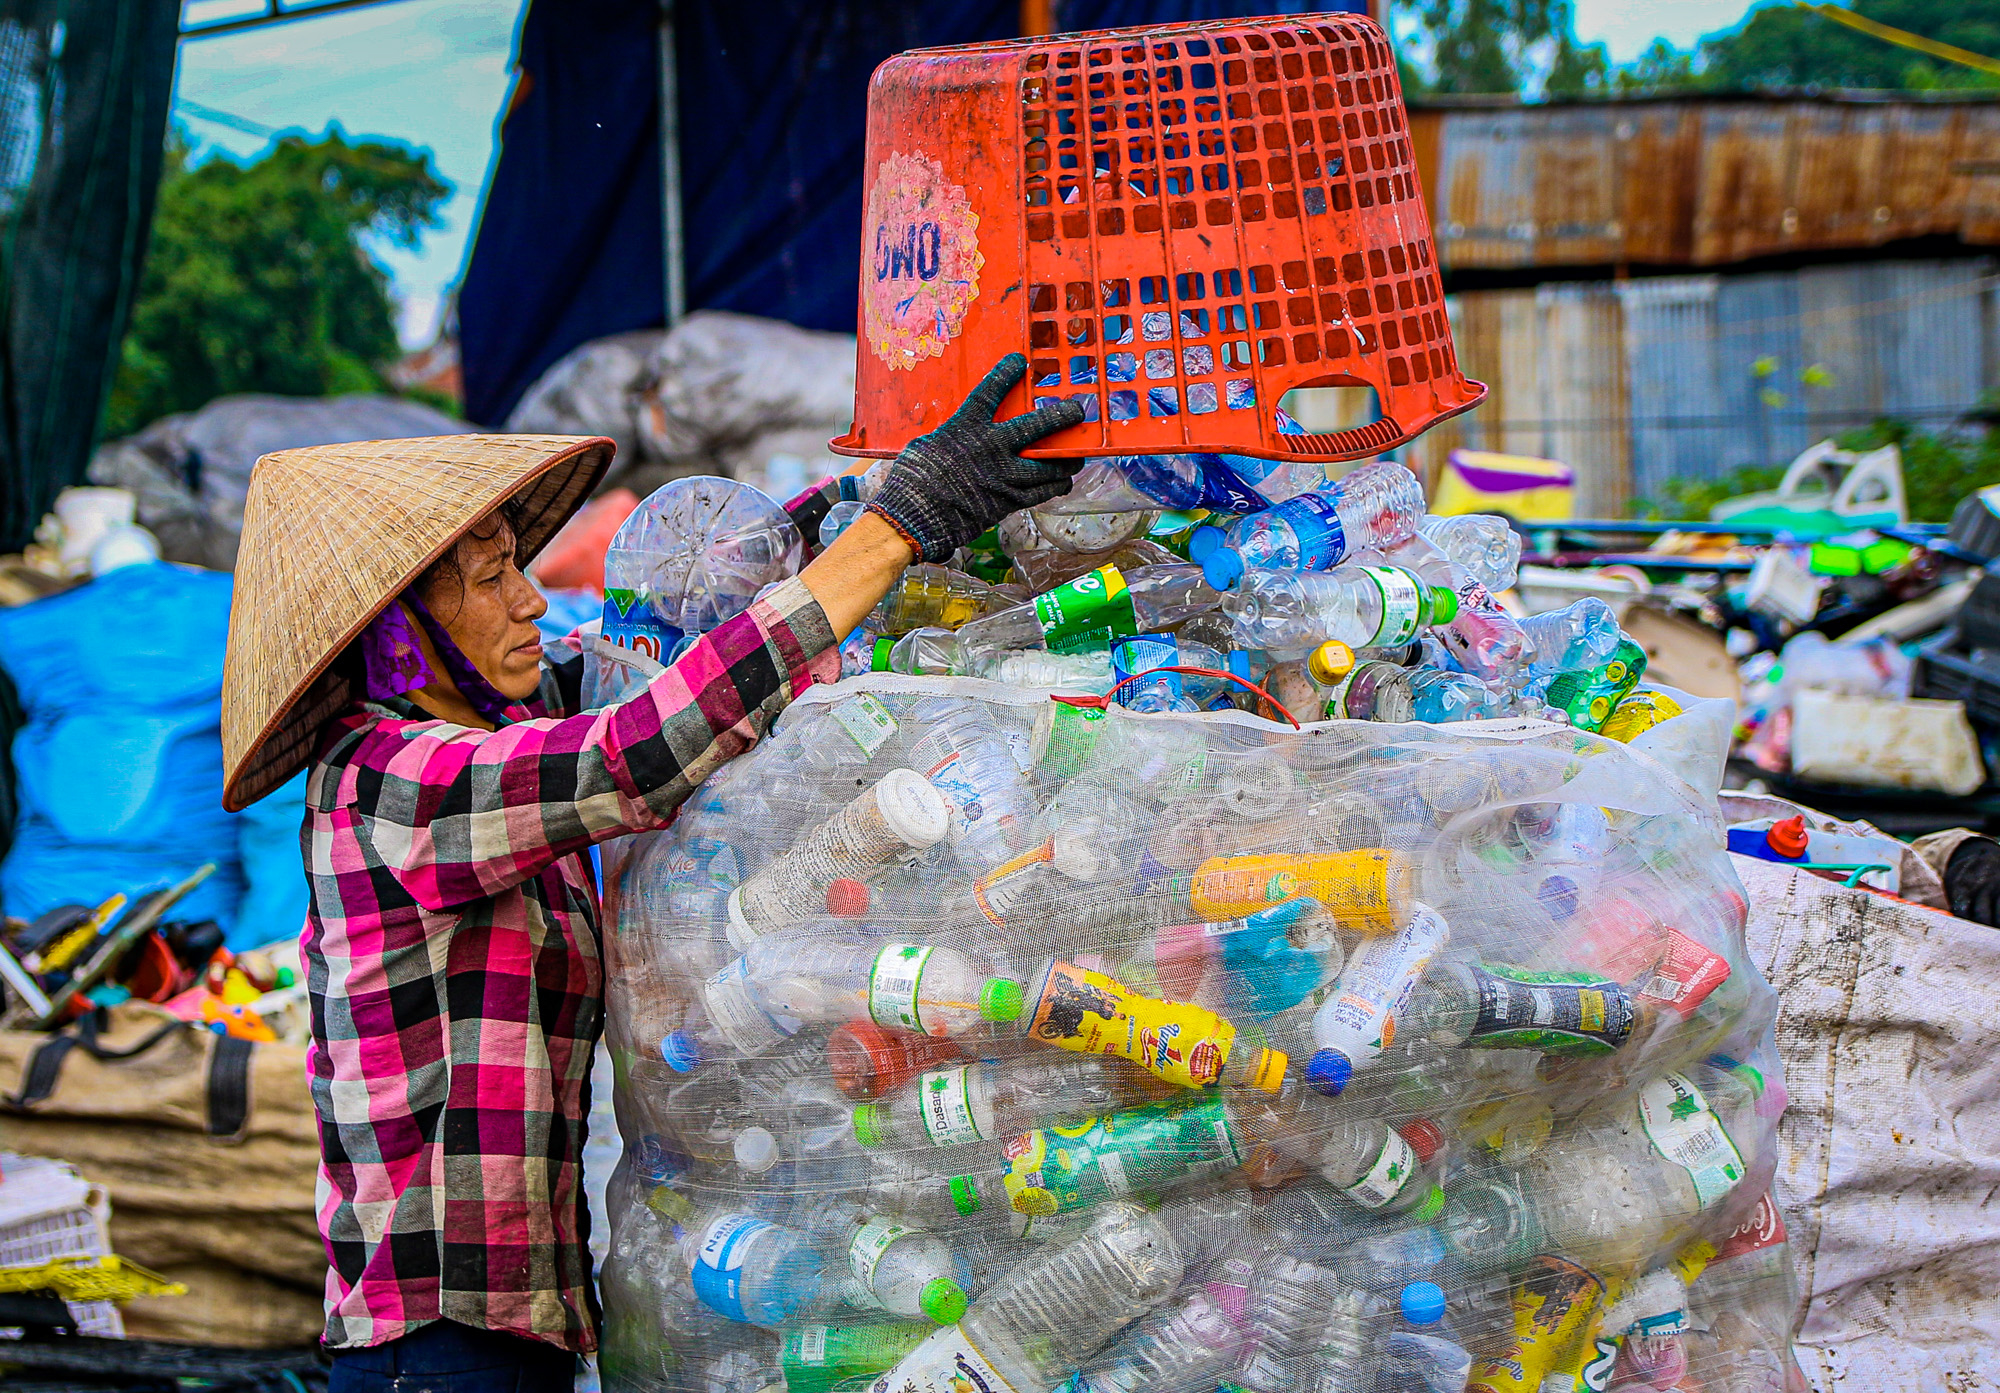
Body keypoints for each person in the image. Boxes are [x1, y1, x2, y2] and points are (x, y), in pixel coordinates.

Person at [218, 357, 1083, 1392]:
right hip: (437, 1342)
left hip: (511, 1323)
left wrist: (828, 516)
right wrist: (892, 532)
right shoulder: (397, 786)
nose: (531, 600)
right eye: (491, 579)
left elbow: (668, 636)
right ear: (400, 634)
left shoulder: (490, 733)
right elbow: (635, 750)